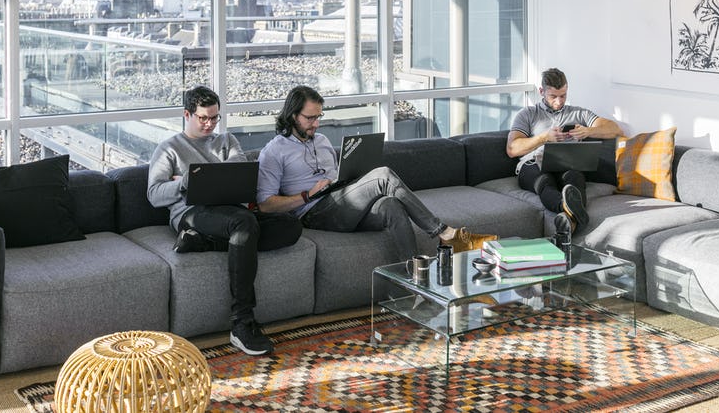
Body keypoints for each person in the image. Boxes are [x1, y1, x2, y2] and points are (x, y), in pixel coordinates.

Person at [256, 85, 496, 261]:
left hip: (342, 201)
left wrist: (351, 177)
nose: (316, 124)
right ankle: (444, 232)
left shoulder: (322, 139)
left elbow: (338, 175)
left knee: (391, 205)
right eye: (310, 118)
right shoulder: (274, 151)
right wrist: (308, 195)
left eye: (319, 117)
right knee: (383, 175)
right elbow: (265, 205)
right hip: (314, 212)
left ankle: (412, 281)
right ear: (292, 115)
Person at [147, 85, 302, 356]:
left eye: (214, 118)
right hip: (191, 214)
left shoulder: (227, 141)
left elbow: (239, 172)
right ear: (187, 114)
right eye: (203, 118)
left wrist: (205, 175)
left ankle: (203, 243)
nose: (210, 124)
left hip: (232, 212)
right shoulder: (169, 149)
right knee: (244, 224)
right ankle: (242, 322)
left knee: (291, 226)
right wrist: (185, 182)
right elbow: (154, 194)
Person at [506, 68, 623, 236]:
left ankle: (568, 219)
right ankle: (569, 211)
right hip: (533, 164)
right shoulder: (528, 114)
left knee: (575, 177)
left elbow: (615, 129)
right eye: (553, 96)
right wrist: (544, 137)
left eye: (563, 95)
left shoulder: (578, 113)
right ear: (541, 92)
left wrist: (588, 131)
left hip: (567, 164)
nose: (559, 101)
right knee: (544, 181)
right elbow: (512, 149)